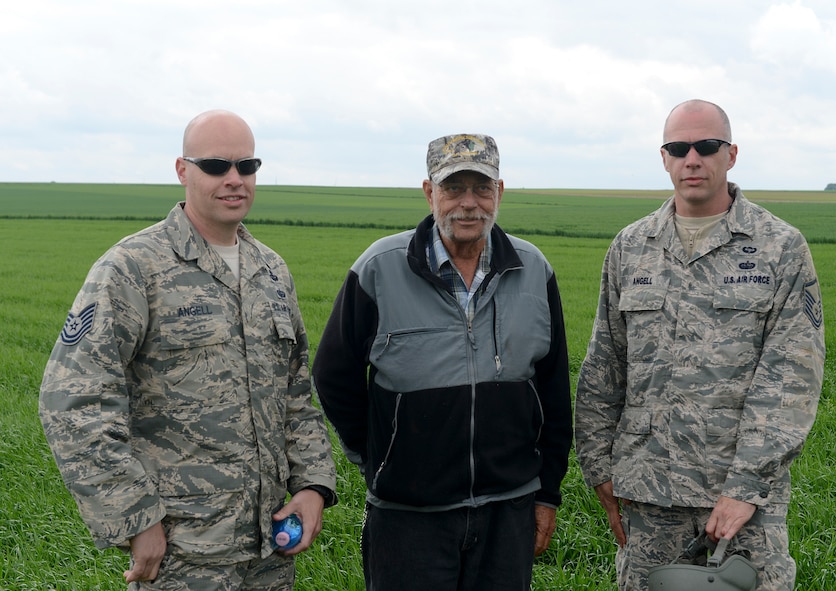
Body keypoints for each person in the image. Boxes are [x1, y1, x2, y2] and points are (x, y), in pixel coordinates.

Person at [39, 110, 337, 590]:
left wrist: (313, 486)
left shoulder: (271, 271)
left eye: (247, 166)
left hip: (271, 552)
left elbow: (297, 394)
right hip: (183, 557)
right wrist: (134, 518)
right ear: (183, 170)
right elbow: (72, 400)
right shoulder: (134, 268)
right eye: (216, 166)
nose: (234, 180)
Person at [574, 99, 825, 591]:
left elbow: (790, 378)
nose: (693, 159)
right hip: (648, 497)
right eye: (679, 147)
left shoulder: (779, 248)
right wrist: (599, 468)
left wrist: (745, 488)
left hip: (741, 506)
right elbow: (605, 364)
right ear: (664, 157)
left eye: (707, 147)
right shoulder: (631, 247)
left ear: (730, 155)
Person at [313, 133, 573, 590]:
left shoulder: (534, 270)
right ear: (430, 192)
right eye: (454, 188)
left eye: (481, 188)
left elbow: (552, 390)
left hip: (508, 511)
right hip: (408, 517)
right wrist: (379, 456)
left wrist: (546, 493)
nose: (468, 204)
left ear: (500, 192)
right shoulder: (380, 268)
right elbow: (334, 376)